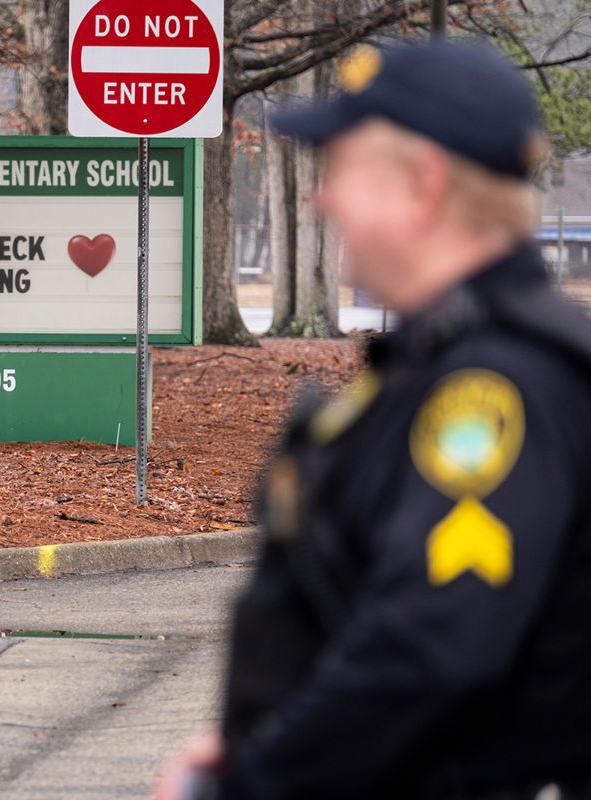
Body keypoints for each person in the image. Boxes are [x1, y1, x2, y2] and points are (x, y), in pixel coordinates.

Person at [156, 40, 591, 799]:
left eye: (344, 170)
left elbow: (430, 647)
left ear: (423, 184)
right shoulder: (444, 360)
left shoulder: (493, 387)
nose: (321, 199)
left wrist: (255, 780)